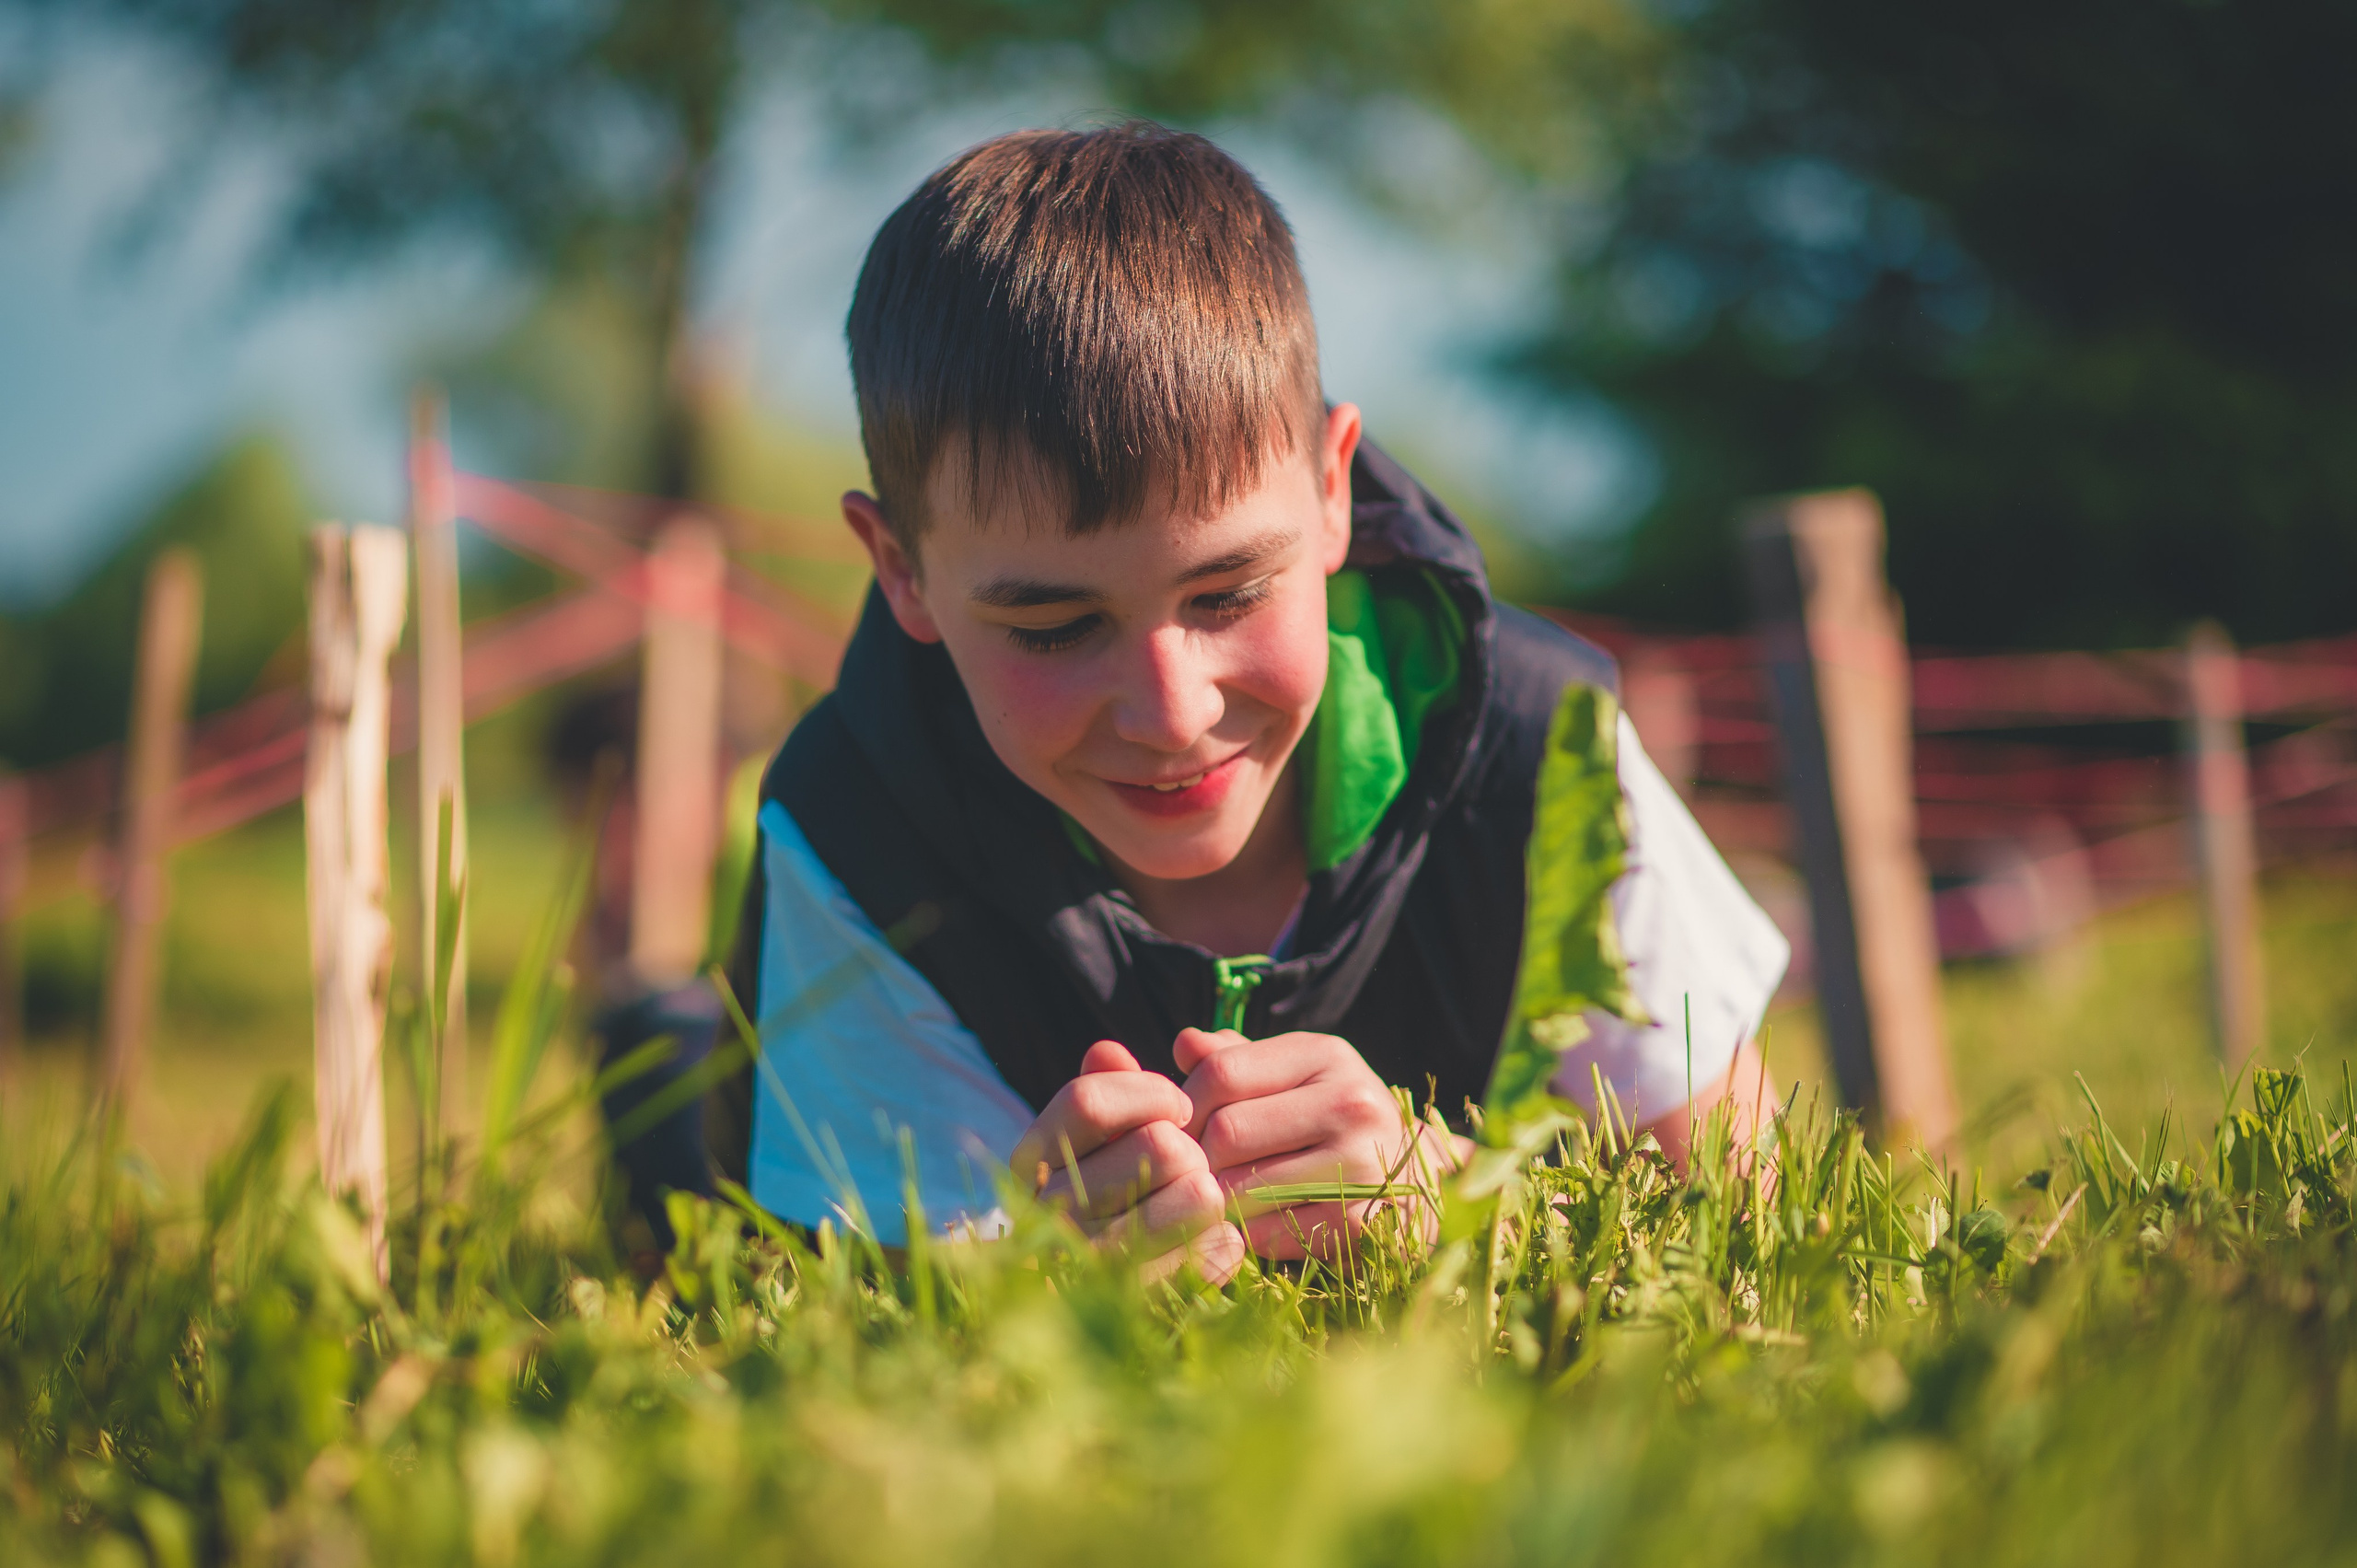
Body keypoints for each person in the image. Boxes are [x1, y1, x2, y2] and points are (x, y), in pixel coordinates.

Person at [719, 122, 1789, 1282]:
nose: (1172, 712)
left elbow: (1755, 1217)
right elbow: (836, 1296)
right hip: (732, 1113)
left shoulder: (1542, 745)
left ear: (1333, 491)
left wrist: (1472, 1206)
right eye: (1054, 626)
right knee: (666, 1075)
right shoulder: (856, 823)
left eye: (1227, 590)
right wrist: (1023, 1277)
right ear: (902, 570)